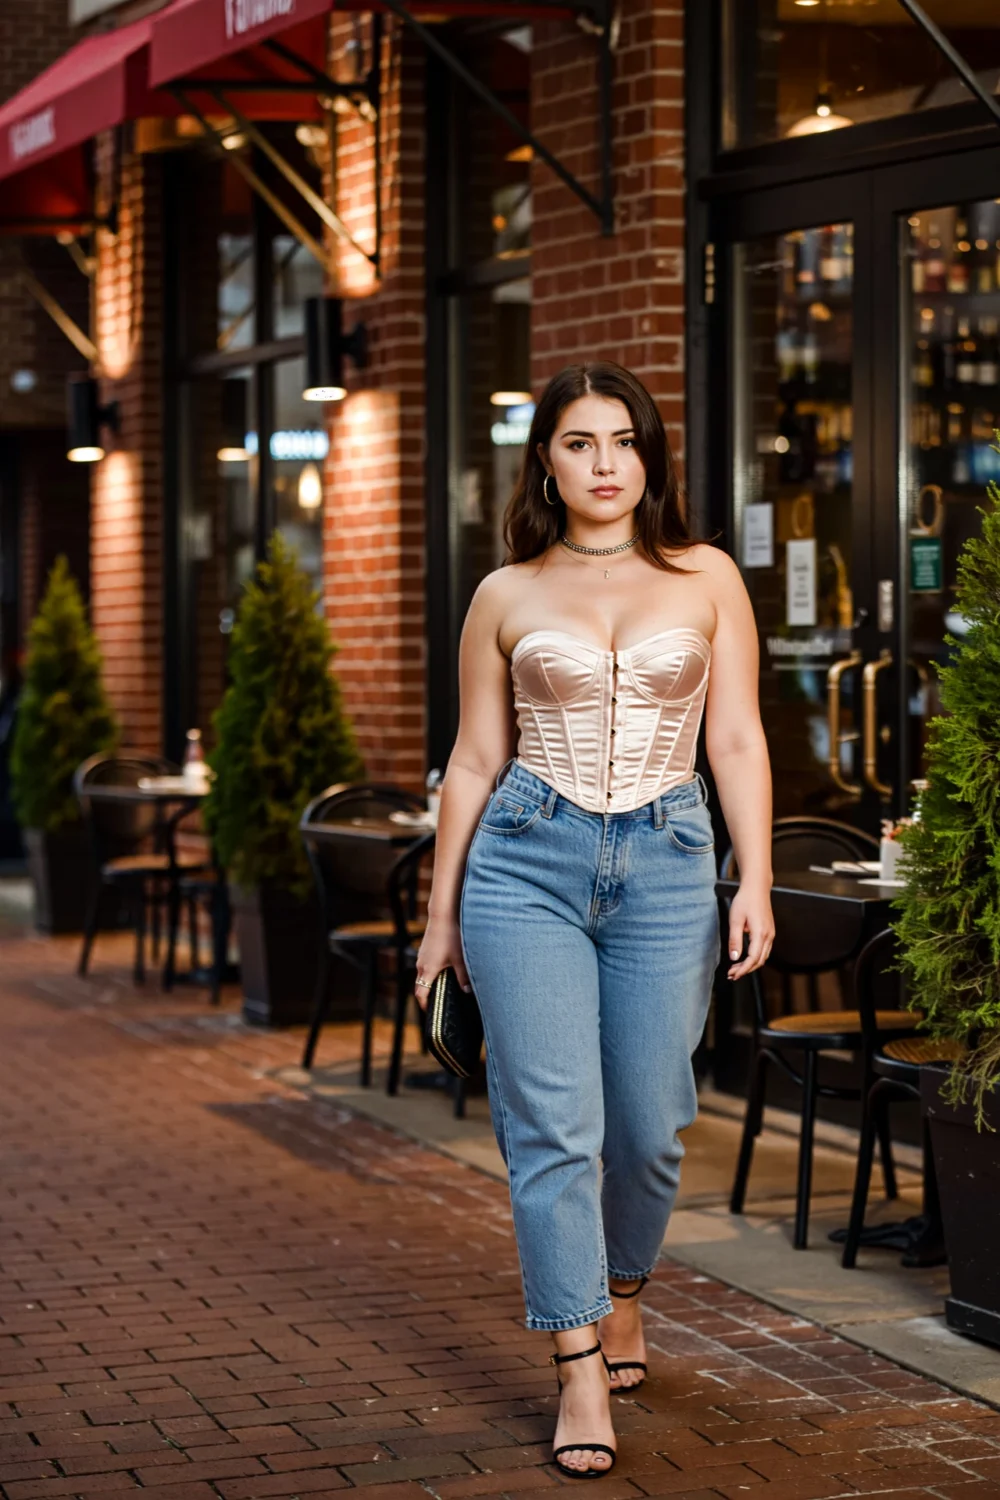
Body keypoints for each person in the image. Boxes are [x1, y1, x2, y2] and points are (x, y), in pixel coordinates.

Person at [415, 361, 773, 1479]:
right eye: (579, 443)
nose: (605, 463)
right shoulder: (505, 592)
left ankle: (622, 1296)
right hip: (525, 861)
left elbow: (738, 741)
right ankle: (576, 1361)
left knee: (655, 1119)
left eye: (623, 440)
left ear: (649, 455)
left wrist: (751, 876)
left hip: (668, 859)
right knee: (551, 1126)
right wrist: (438, 923)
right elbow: (474, 761)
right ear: (546, 461)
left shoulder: (707, 575)